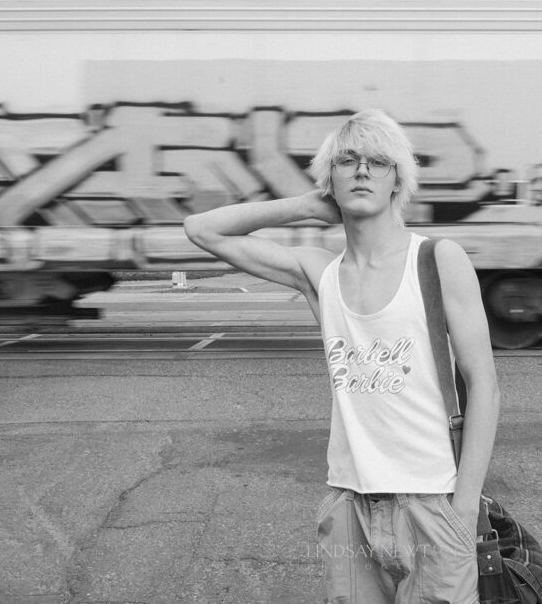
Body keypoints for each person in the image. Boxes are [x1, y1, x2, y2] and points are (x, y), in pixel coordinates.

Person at [183, 108, 500, 603]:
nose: (362, 170)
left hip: (434, 502)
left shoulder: (438, 261)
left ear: (399, 178)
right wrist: (309, 205)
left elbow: (485, 385)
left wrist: (462, 509)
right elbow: (202, 229)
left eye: (378, 161)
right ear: (331, 176)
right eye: (347, 160)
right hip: (349, 504)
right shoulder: (321, 274)